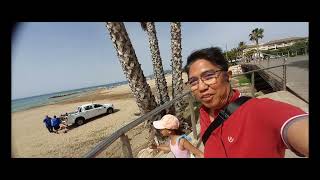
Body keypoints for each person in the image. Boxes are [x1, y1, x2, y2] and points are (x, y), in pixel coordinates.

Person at [184, 47, 308, 158]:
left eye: (209, 76)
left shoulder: (258, 110)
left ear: (228, 76)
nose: (201, 87)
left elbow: (295, 126)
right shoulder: (204, 113)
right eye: (193, 82)